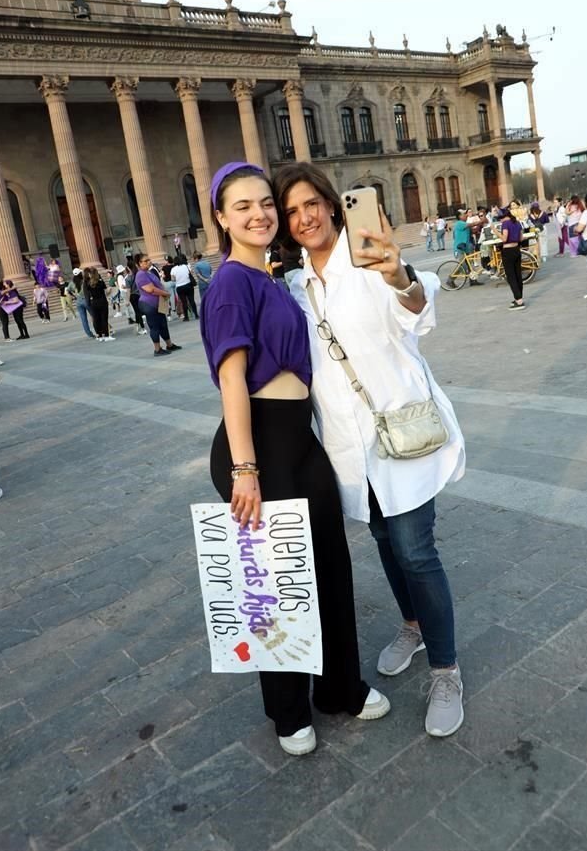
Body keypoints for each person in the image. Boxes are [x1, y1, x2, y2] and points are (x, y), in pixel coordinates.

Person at [201, 160, 389, 756]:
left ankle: (339, 688)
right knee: (276, 581)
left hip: (298, 439)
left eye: (265, 205)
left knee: (329, 565)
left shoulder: (273, 278)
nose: (259, 215)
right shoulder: (230, 282)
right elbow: (233, 380)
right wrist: (245, 469)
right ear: (221, 218)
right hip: (256, 444)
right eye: (243, 208)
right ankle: (287, 710)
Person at [274, 161, 465, 739]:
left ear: (333, 204)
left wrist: (398, 272)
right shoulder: (293, 285)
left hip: (401, 431)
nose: (305, 217)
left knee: (415, 549)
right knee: (383, 537)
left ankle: (446, 668)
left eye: (312, 203)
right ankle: (412, 624)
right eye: (292, 211)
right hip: (348, 446)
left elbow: (414, 309)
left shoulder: (369, 262)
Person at [135, 254, 181, 356]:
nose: (148, 262)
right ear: (139, 263)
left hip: (158, 303)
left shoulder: (149, 272)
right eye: (145, 261)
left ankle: (169, 344)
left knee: (163, 324)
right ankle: (157, 349)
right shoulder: (141, 274)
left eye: (149, 260)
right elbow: (150, 289)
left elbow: (158, 285)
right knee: (154, 326)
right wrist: (165, 293)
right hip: (149, 304)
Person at [497, 205, 526, 310]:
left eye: (500, 218)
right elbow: (521, 237)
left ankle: (519, 301)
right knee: (518, 275)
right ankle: (519, 297)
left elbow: (504, 238)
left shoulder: (505, 224)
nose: (500, 220)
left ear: (503, 217)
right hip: (516, 250)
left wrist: (495, 232)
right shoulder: (517, 222)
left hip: (508, 251)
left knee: (511, 276)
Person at [448, 209, 481, 288]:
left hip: (466, 247)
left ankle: (473, 280)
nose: (466, 215)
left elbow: (473, 230)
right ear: (459, 216)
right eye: (464, 214)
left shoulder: (465, 224)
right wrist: (481, 220)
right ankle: (450, 279)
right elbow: (472, 224)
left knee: (470, 264)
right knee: (463, 265)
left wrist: (480, 227)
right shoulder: (459, 223)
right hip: (460, 248)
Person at [83, 267, 114, 341]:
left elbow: (86, 294)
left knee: (96, 319)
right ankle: (106, 335)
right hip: (102, 301)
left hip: (93, 302)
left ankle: (99, 335)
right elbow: (106, 292)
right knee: (104, 318)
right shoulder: (100, 282)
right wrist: (110, 290)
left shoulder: (87, 283)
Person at [68, 268, 94, 338]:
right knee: (94, 315)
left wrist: (74, 296)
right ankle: (100, 329)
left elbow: (68, 291)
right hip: (86, 300)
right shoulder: (84, 281)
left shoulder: (71, 282)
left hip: (78, 301)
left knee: (83, 319)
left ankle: (89, 333)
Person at [171, 255, 198, 321]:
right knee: (192, 300)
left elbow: (173, 279)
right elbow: (191, 273)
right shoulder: (186, 266)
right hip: (188, 285)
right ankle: (196, 315)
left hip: (180, 287)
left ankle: (186, 317)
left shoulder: (173, 269)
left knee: (184, 302)